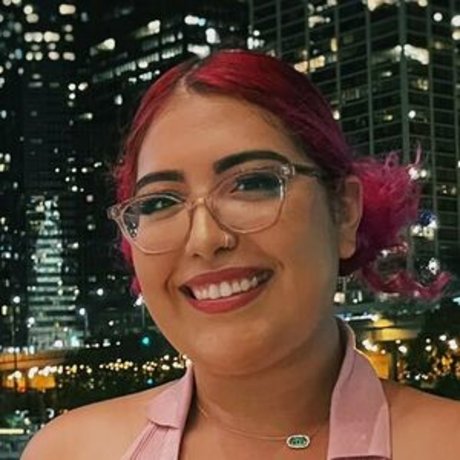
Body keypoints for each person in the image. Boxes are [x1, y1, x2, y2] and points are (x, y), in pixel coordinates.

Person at [22, 49, 459, 460]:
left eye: (252, 183)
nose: (204, 238)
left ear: (343, 211)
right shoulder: (69, 451)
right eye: (159, 202)